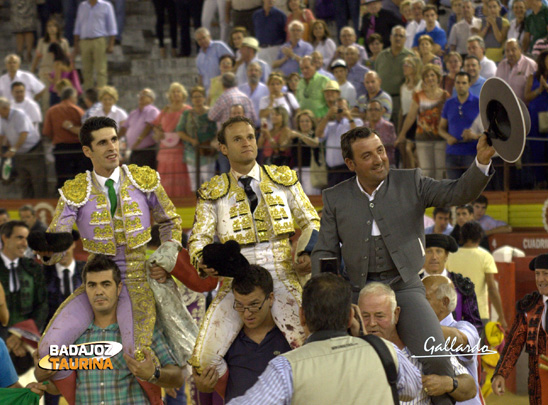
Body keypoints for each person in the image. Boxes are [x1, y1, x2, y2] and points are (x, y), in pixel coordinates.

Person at [311, 124, 495, 404]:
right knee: (327, 358)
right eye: (368, 155)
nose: (379, 159)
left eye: (381, 151)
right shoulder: (335, 197)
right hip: (356, 290)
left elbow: (457, 192)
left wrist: (481, 161)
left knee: (436, 359)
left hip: (405, 287)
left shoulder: (412, 181)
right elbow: (324, 252)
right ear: (350, 163)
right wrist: (330, 298)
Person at [37, 116, 196, 403]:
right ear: (88, 151)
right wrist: (48, 252)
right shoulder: (75, 191)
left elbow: (170, 220)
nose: (112, 147)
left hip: (137, 279)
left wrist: (164, 258)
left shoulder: (142, 179)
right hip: (97, 281)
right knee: (49, 350)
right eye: (102, 142)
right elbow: (58, 238)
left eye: (114, 139)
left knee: (137, 352)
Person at [187, 115, 320, 376]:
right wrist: (203, 261)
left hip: (282, 271)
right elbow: (198, 239)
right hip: (236, 279)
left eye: (250, 137)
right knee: (203, 363)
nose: (246, 143)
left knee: (313, 351)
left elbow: (311, 220)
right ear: (223, 148)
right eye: (237, 139)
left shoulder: (284, 178)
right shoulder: (212, 192)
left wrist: (305, 251)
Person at [227, 273, 422, 404]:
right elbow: (413, 389)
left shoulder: (287, 367)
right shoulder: (385, 351)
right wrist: (364, 338)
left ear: (302, 316)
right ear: (350, 317)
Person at [37, 254, 185, 403]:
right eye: (92, 285)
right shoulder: (74, 336)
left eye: (106, 284)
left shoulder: (141, 329)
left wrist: (154, 374)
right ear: (85, 289)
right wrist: (42, 379)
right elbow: (59, 387)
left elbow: (178, 378)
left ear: (119, 287)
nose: (99, 291)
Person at [357, 282, 479, 404]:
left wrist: (447, 383)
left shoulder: (423, 346)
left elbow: (470, 388)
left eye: (380, 316)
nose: (372, 323)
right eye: (365, 316)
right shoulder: (355, 354)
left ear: (396, 314)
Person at [193, 264, 292, 403]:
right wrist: (204, 386)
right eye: (239, 305)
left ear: (270, 298)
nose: (246, 313)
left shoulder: (289, 338)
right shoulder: (225, 342)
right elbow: (207, 388)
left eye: (254, 305)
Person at [491, 253, 548, 404]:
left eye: (546, 274)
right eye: (537, 274)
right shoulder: (529, 307)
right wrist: (501, 373)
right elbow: (514, 342)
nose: (541, 279)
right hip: (539, 384)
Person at [422, 275, 483, 405]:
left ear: (444, 302)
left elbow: (460, 339)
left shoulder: (465, 327)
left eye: (425, 299)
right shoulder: (419, 332)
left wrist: (419, 325)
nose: (419, 305)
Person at [0, 221, 48, 374]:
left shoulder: (34, 267)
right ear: (5, 238)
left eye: (27, 239)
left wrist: (20, 336)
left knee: (29, 392)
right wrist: (7, 338)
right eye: (19, 237)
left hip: (27, 344)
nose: (25, 243)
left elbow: (42, 305)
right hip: (1, 342)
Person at [446, 221, 507, 328]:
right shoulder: (485, 256)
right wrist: (501, 316)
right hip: (478, 313)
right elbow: (492, 289)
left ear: (462, 237)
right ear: (479, 237)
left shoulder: (450, 256)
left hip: (454, 312)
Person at [421, 234, 483, 333]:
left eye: (439, 251)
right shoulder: (413, 284)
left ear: (446, 255)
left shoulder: (461, 284)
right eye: (429, 251)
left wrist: (463, 342)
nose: (434, 257)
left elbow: (474, 323)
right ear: (422, 255)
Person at [397, 64, 449, 180]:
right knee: (427, 173)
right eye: (427, 76)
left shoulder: (445, 96)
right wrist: (402, 135)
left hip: (440, 139)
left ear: (438, 77)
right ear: (423, 79)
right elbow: (410, 117)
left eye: (432, 75)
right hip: (423, 139)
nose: (430, 78)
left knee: (440, 172)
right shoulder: (418, 96)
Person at [43, 87, 92, 191]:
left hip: (61, 149)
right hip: (77, 148)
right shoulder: (78, 110)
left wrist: (56, 137)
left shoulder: (51, 111)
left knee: (63, 179)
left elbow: (46, 131)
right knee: (80, 179)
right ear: (72, 97)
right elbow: (86, 130)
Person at [0, 97, 47, 199]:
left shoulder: (19, 115)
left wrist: (14, 149)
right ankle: (26, 205)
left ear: (5, 108)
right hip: (19, 155)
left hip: (33, 151)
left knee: (37, 181)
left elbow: (24, 133)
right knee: (24, 182)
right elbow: (2, 135)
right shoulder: (2, 118)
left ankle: (40, 205)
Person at [152, 82, 193, 197]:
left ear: (183, 94)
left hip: (181, 148)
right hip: (165, 149)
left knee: (181, 174)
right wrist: (158, 133)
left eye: (178, 91)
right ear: (169, 95)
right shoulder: (165, 111)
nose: (176, 94)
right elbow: (156, 126)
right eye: (173, 91)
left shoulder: (188, 110)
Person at [439, 71, 481, 180]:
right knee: (453, 189)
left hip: (471, 152)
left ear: (469, 84)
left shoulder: (478, 103)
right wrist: (448, 137)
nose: (460, 86)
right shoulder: (449, 103)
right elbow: (441, 128)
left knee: (471, 188)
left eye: (463, 83)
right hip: (452, 152)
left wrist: (474, 136)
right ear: (454, 84)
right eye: (458, 83)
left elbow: (488, 130)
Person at [176, 86, 217, 191]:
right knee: (195, 183)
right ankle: (198, 205)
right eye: (194, 97)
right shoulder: (186, 114)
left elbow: (218, 130)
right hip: (191, 152)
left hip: (207, 152)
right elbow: (179, 131)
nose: (197, 99)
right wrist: (192, 140)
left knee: (208, 181)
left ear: (204, 98)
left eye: (200, 96)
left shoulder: (211, 113)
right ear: (191, 99)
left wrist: (213, 142)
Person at [316, 97, 363, 187]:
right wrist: (327, 116)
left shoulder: (355, 121)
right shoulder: (330, 125)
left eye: (342, 107)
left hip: (346, 169)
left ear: (348, 108)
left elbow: (357, 136)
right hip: (331, 170)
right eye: (337, 107)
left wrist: (349, 116)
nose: (340, 110)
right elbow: (318, 134)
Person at [374, 26, 414, 125]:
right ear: (390, 37)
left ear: (405, 39)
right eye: (396, 35)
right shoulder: (381, 56)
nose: (398, 38)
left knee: (398, 130)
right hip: (381, 99)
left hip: (400, 100)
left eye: (401, 36)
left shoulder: (411, 56)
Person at [73, 0, 117, 90]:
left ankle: (102, 95)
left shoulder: (106, 5)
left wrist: (111, 44)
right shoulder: (82, 6)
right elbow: (78, 26)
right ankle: (89, 96)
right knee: (86, 70)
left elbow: (112, 27)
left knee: (101, 69)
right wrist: (76, 45)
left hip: (99, 39)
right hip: (84, 40)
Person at [119, 88, 160, 170]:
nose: (141, 97)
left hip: (147, 150)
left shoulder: (152, 110)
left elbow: (149, 126)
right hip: (134, 150)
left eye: (145, 95)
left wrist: (138, 140)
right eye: (140, 95)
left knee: (145, 177)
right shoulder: (134, 113)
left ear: (151, 99)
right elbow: (124, 128)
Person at [524, 50, 548, 188]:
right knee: (537, 150)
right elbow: (526, 97)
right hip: (535, 118)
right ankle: (539, 181)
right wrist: (539, 90)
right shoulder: (533, 77)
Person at [31, 18, 70, 92]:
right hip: (45, 71)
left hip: (59, 73)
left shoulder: (64, 42)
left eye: (53, 26)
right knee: (46, 98)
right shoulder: (42, 42)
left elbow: (67, 59)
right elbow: (37, 57)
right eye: (49, 26)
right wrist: (32, 71)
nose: (51, 28)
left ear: (58, 28)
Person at [398, 55, 422, 169]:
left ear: (415, 67)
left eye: (407, 65)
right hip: (406, 119)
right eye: (404, 65)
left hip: (417, 120)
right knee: (405, 151)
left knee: (411, 150)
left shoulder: (420, 85)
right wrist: (400, 128)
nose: (404, 67)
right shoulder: (403, 86)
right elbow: (402, 109)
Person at [289, 109, 321, 195]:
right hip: (296, 170)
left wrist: (300, 135)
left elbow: (315, 143)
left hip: (310, 170)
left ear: (312, 122)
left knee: (311, 196)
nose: (304, 123)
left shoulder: (314, 134)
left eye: (307, 121)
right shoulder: (295, 136)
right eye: (302, 121)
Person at [195, 27, 234, 93]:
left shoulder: (219, 46)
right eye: (199, 39)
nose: (202, 41)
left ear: (209, 37)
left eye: (204, 38)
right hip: (208, 91)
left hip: (223, 87)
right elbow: (201, 76)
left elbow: (232, 62)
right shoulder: (199, 57)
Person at [253, 0, 287, 66]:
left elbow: (285, 34)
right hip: (260, 49)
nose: (270, 1)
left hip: (275, 49)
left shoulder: (280, 15)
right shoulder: (256, 15)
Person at [364, 100, 397, 166]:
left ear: (381, 111)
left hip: (386, 164)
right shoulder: (364, 127)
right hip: (369, 165)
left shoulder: (388, 126)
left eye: (376, 109)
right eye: (370, 110)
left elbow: (390, 145)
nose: (373, 112)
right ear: (367, 112)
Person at [239, 62, 269, 128]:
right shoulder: (240, 89)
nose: (253, 73)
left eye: (256, 70)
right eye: (251, 70)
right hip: (244, 127)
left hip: (260, 128)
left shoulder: (266, 90)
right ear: (247, 73)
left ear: (260, 74)